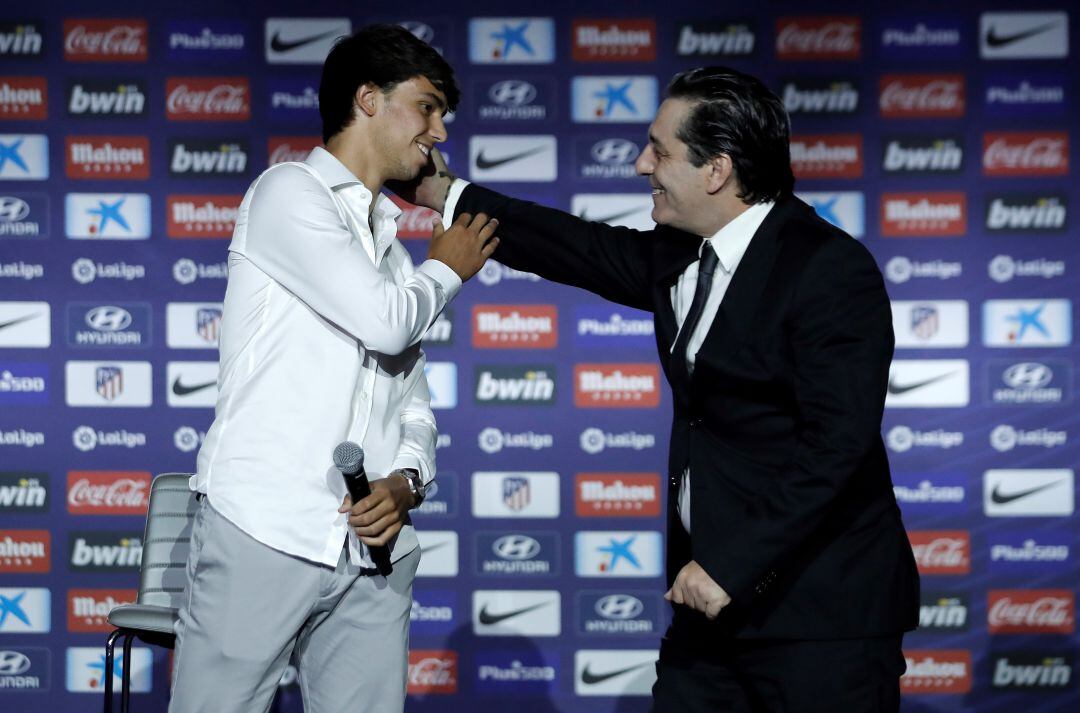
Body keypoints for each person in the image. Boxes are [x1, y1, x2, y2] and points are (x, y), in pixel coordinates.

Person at [405, 66, 919, 712]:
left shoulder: (828, 270)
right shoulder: (682, 253)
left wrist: (731, 566)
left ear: (717, 170)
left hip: (821, 619)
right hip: (706, 613)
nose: (641, 163)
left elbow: (834, 449)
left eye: (660, 149)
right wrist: (443, 193)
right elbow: (575, 246)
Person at [169, 25, 497, 713]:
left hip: (371, 553)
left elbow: (413, 405)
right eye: (428, 107)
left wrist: (405, 481)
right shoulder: (290, 191)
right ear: (368, 99)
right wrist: (450, 266)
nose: (438, 131)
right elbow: (386, 320)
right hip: (267, 526)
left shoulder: (397, 256)